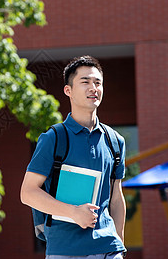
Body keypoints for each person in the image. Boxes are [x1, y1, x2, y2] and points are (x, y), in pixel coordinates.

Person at [20, 55, 126, 258]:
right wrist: (73, 212)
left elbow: (116, 198)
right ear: (68, 91)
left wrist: (119, 243)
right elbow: (27, 193)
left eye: (98, 82)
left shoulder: (115, 141)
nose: (93, 88)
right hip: (65, 251)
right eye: (85, 82)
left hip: (108, 249)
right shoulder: (53, 138)